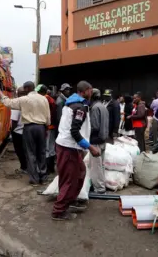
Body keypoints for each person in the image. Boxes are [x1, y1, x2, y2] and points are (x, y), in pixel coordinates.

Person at [53, 81, 100, 221]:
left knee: (80, 172)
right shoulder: (79, 107)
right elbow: (74, 131)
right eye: (90, 90)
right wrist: (90, 147)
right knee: (70, 178)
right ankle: (59, 211)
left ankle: (70, 200)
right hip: (69, 147)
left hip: (67, 145)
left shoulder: (72, 102)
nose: (91, 93)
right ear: (85, 91)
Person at [0, 81, 50, 186]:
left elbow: (8, 103)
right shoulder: (44, 99)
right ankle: (43, 176)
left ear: (27, 88)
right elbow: (48, 116)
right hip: (41, 127)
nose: (23, 90)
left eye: (24, 88)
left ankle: (34, 179)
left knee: (30, 153)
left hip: (29, 128)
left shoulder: (24, 99)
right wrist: (46, 127)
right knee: (41, 152)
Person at [88, 88, 109, 194]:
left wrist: (86, 134)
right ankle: (101, 185)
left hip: (95, 140)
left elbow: (94, 126)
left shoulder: (95, 108)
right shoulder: (103, 106)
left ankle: (100, 189)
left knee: (96, 167)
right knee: (101, 165)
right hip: (103, 139)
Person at [37, 84, 57, 174]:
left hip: (47, 127)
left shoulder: (44, 99)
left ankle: (47, 169)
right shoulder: (51, 99)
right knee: (51, 147)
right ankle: (51, 168)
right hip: (52, 127)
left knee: (46, 148)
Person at [11, 87, 27, 173]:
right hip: (28, 131)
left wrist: (11, 131)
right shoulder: (29, 102)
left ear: (18, 94)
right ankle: (28, 167)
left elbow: (14, 121)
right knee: (27, 151)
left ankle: (23, 167)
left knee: (19, 150)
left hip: (18, 132)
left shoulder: (16, 103)